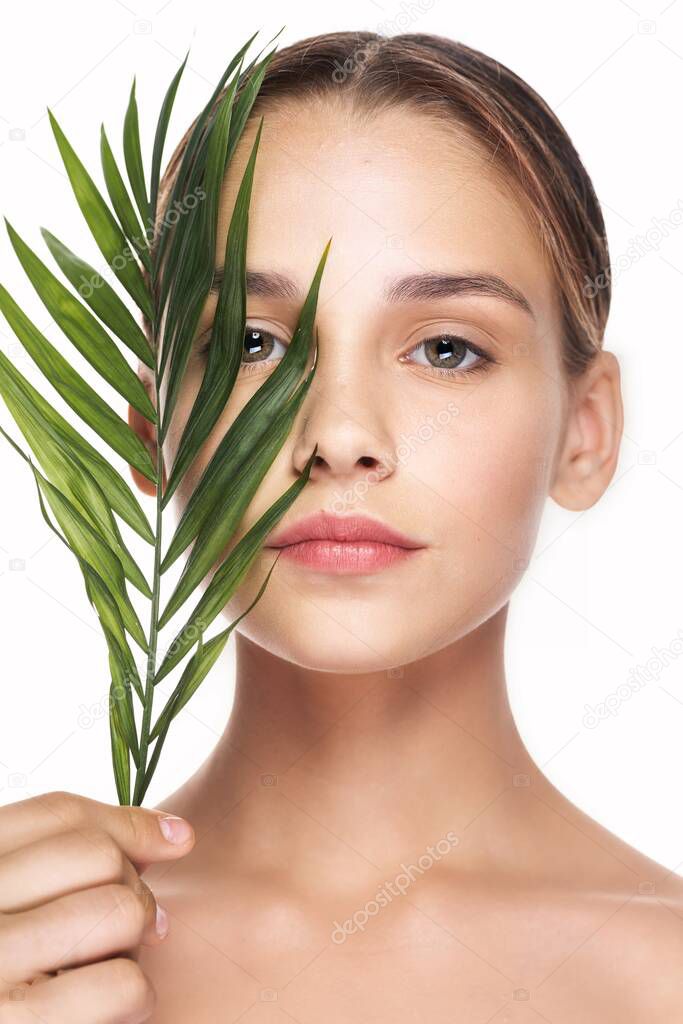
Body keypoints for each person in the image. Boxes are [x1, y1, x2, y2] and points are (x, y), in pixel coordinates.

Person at [1, 30, 681, 1023]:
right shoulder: (30, 950)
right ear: (151, 430)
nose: (339, 436)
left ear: (585, 433)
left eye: (446, 348)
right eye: (251, 341)